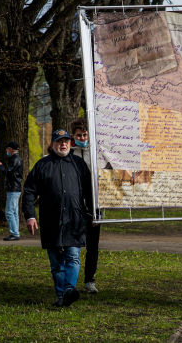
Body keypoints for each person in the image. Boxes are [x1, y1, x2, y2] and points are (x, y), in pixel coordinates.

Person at [23, 129, 93, 307]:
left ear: (71, 143)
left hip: (75, 219)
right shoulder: (42, 165)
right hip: (51, 220)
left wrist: (93, 213)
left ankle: (69, 290)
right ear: (52, 144)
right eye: (59, 141)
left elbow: (90, 191)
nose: (63, 144)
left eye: (66, 141)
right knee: (56, 263)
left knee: (73, 257)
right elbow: (29, 191)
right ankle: (62, 296)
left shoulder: (79, 165)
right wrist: (30, 216)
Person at [70, 118, 99, 294]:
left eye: (85, 134)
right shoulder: (71, 154)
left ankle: (89, 280)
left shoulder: (94, 153)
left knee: (92, 245)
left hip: (94, 203)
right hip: (76, 205)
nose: (83, 137)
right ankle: (71, 281)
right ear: (74, 136)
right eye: (79, 135)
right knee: (73, 244)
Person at [0, 141, 23, 241]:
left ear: (11, 149)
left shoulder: (15, 159)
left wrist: (1, 166)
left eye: (7, 149)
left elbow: (8, 172)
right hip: (15, 188)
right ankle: (16, 232)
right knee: (14, 212)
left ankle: (14, 233)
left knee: (9, 212)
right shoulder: (15, 158)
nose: (6, 151)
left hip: (13, 188)